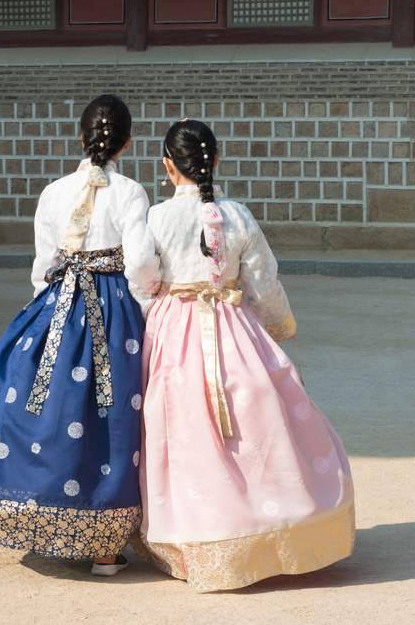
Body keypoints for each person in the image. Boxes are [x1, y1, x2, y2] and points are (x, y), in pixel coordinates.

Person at [0, 94, 161, 576]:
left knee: (50, 408)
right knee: (113, 415)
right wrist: (146, 307)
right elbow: (141, 262)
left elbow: (43, 266)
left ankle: (43, 515)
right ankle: (105, 544)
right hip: (112, 310)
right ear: (125, 144)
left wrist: (47, 309)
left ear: (82, 137)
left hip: (59, 305)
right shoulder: (131, 192)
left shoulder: (53, 192)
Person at [131, 119, 354, 592]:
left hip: (176, 329)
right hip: (233, 326)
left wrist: (152, 309)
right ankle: (277, 525)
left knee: (183, 425)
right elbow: (263, 281)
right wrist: (279, 326)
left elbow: (142, 277)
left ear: (168, 166)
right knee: (257, 416)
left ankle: (195, 538)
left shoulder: (156, 217)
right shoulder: (237, 215)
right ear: (216, 160)